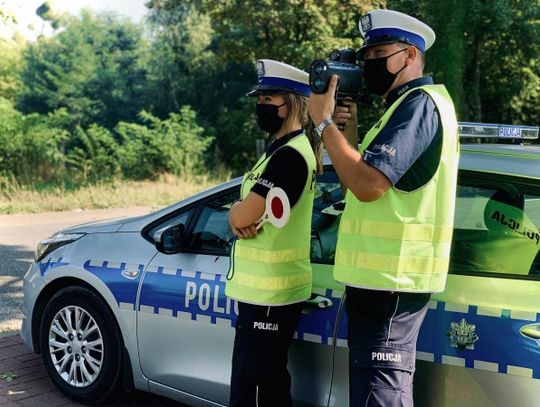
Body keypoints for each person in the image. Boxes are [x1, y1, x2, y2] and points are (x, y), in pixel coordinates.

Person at [308, 9, 460, 407]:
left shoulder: (420, 105)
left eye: (379, 52)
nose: (369, 62)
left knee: (382, 395)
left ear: (409, 55)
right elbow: (353, 180)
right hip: (380, 281)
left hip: (392, 281)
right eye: (366, 55)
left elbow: (370, 185)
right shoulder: (401, 108)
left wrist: (322, 123)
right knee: (375, 391)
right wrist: (345, 131)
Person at [225, 59, 320, 407]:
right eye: (260, 99)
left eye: (270, 99)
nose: (262, 106)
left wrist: (234, 214)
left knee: (255, 389)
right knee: (268, 383)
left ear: (294, 102)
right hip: (265, 293)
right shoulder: (281, 151)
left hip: (271, 294)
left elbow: (245, 215)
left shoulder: (290, 157)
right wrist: (240, 213)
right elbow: (247, 213)